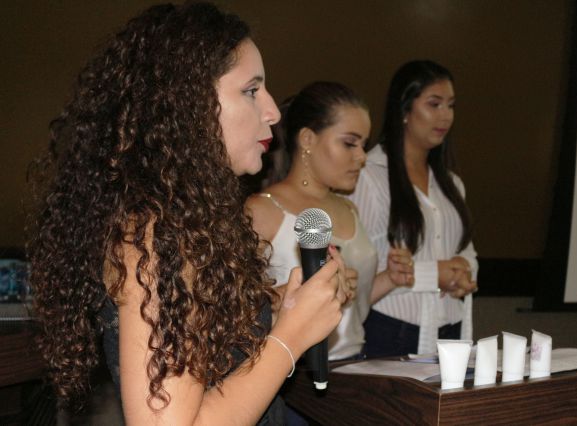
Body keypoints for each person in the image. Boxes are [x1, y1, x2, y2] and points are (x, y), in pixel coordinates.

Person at [27, 4, 346, 425]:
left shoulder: (191, 220)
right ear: (188, 103)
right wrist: (291, 336)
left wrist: (284, 307)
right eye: (251, 90)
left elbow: (214, 353)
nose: (272, 111)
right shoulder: (154, 233)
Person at [246, 81, 414, 363]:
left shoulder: (350, 208)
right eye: (349, 143)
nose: (361, 157)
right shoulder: (261, 210)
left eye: (364, 145)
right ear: (307, 139)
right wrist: (298, 293)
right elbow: (233, 309)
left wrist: (389, 280)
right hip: (290, 370)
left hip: (353, 364)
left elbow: (350, 310)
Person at [349, 60, 478, 358]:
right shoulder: (369, 176)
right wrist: (435, 274)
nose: (445, 115)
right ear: (405, 109)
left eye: (451, 105)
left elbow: (467, 250)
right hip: (394, 329)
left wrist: (463, 270)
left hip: (451, 328)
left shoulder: (451, 183)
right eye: (434, 104)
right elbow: (359, 269)